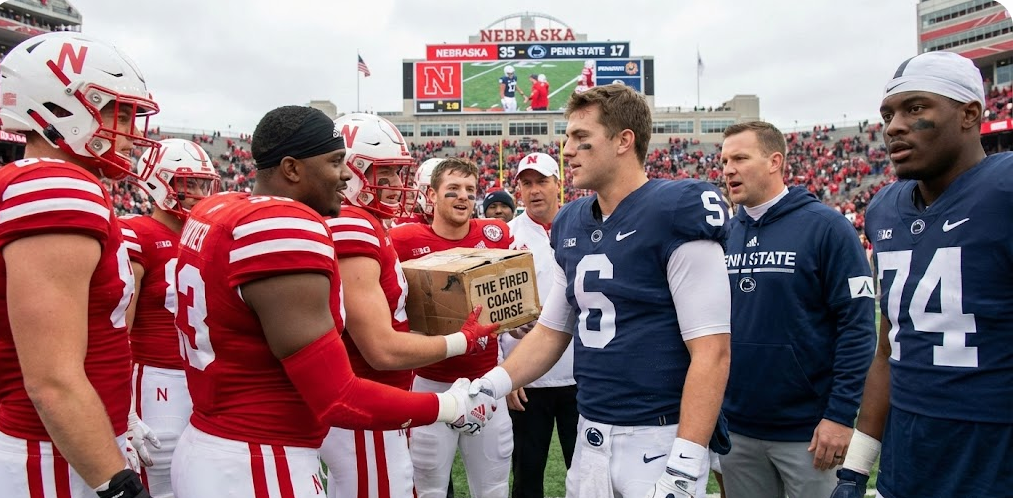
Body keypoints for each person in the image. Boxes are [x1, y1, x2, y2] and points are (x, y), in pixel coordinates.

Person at [169, 105, 495, 498]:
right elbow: (341, 392)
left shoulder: (220, 208)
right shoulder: (288, 226)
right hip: (258, 459)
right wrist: (450, 404)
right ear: (292, 169)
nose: (343, 175)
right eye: (336, 162)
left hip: (216, 443)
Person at [470, 84, 731, 498]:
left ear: (623, 141)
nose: (567, 151)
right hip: (590, 430)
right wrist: (489, 386)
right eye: (568, 138)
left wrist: (685, 461)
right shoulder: (571, 221)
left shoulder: (676, 210)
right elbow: (552, 331)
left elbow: (712, 351)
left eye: (581, 138)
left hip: (659, 435)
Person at [832, 51, 1013, 498]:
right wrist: (856, 469)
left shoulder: (1004, 190)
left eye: (915, 108)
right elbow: (888, 350)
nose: (894, 126)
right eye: (888, 115)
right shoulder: (884, 209)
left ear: (969, 114)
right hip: (906, 463)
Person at [0, 31, 158, 498]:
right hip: (55, 457)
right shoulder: (57, 187)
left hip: (64, 447)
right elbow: (52, 380)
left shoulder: (35, 180)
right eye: (119, 113)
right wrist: (115, 481)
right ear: (61, 106)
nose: (130, 133)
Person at [319, 113, 498, 498]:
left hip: (379, 400)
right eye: (383, 173)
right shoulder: (353, 225)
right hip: (367, 403)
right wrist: (462, 340)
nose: (396, 183)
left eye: (397, 172)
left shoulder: (366, 222)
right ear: (349, 170)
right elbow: (380, 349)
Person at [718, 121, 876, 498]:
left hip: (809, 431)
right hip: (736, 426)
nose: (728, 170)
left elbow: (857, 329)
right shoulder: (724, 234)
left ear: (775, 161)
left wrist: (840, 415)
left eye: (740, 158)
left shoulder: (827, 227)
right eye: (724, 161)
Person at [390, 158, 515, 498]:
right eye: (453, 189)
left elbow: (510, 300)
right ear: (432, 195)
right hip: (430, 382)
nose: (463, 196)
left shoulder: (494, 234)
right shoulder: (403, 239)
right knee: (427, 489)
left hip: (486, 381)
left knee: (494, 489)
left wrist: (518, 322)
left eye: (470, 189)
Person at [120, 139, 222, 497]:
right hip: (153, 377)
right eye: (188, 184)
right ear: (158, 183)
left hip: (198, 374)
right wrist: (124, 408)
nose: (198, 195)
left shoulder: (205, 238)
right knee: (157, 478)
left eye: (203, 184)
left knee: (194, 479)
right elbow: (119, 327)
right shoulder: (137, 234)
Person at [501, 152, 578, 498]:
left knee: (588, 474)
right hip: (528, 375)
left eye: (542, 181)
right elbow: (494, 312)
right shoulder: (506, 236)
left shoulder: (582, 225)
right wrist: (507, 372)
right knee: (527, 476)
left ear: (557, 184)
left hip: (579, 374)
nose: (534, 190)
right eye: (526, 183)